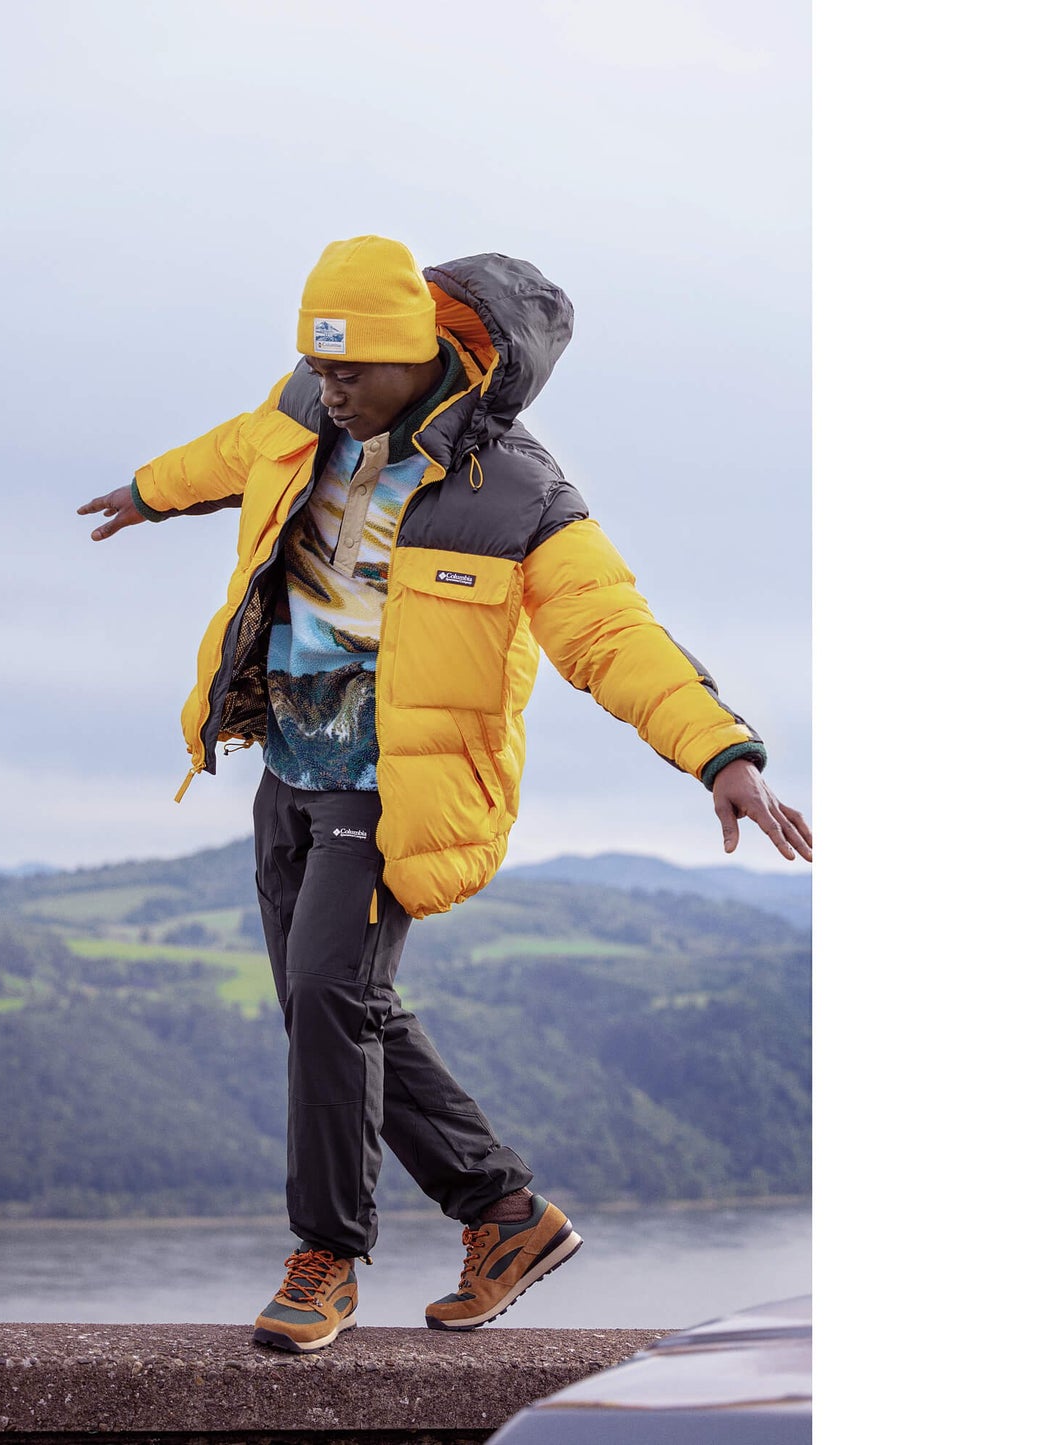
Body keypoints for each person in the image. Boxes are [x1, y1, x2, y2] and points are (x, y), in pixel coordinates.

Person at [79, 236, 811, 1353]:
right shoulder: (302, 410)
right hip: (290, 759)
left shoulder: (513, 490)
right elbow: (232, 450)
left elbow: (610, 631)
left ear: (414, 354)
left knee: (328, 993)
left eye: (351, 371)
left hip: (397, 782)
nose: (329, 388)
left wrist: (721, 752)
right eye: (316, 366)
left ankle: (326, 1257)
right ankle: (503, 1212)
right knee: (330, 1006)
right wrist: (147, 492)